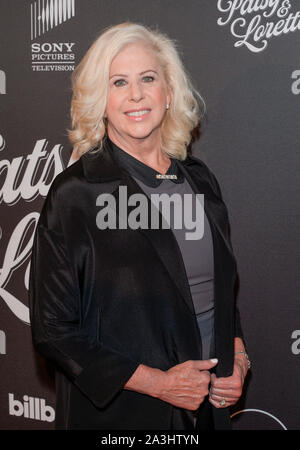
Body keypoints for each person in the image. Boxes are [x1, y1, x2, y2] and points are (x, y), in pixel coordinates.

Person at [29, 22, 250, 430]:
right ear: (101, 99)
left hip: (207, 413)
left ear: (168, 92)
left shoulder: (200, 181)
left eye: (148, 78)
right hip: (125, 417)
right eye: (118, 82)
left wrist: (237, 355)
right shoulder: (76, 194)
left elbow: (216, 292)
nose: (135, 94)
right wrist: (160, 384)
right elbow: (53, 331)